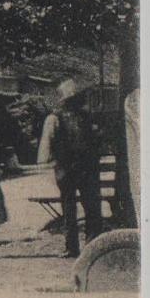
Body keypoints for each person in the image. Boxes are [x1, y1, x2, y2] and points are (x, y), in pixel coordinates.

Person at [40, 80, 104, 258]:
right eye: (73, 98)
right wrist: (53, 161)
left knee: (91, 205)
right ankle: (72, 247)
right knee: (69, 208)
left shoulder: (87, 117)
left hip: (86, 167)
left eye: (77, 98)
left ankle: (92, 245)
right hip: (67, 168)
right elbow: (48, 143)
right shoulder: (55, 118)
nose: (76, 101)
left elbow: (97, 140)